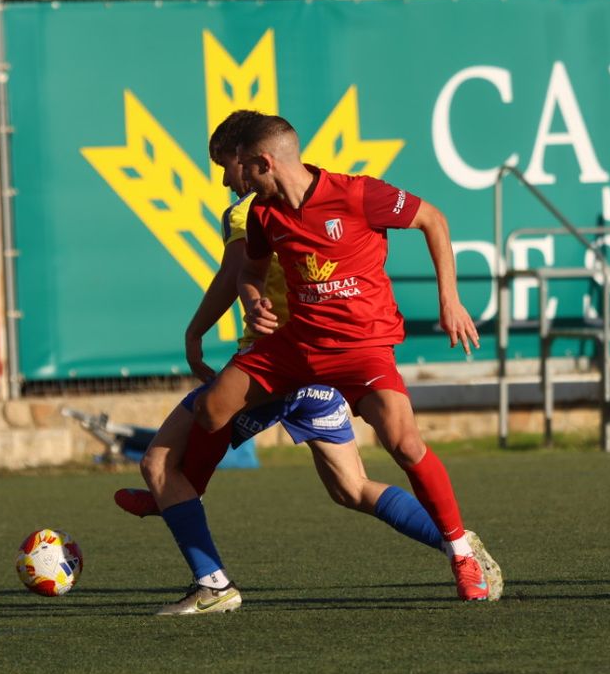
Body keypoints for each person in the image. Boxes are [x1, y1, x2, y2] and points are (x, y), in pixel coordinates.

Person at [118, 112, 501, 615]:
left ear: (258, 162)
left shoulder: (357, 194)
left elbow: (433, 218)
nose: (226, 180)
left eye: (228, 168)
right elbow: (249, 273)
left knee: (403, 446)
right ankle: (180, 500)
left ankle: (460, 552)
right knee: (214, 409)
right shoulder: (260, 214)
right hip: (296, 347)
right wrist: (254, 300)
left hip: (363, 347)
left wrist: (449, 298)